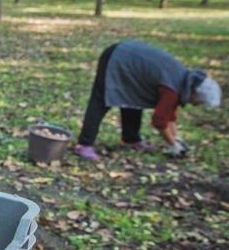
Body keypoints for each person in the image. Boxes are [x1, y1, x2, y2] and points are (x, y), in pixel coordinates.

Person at [73, 40, 221, 161]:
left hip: (129, 60)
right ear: (196, 94)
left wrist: (177, 139)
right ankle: (84, 145)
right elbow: (160, 121)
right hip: (117, 58)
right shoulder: (173, 89)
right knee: (101, 101)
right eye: (199, 102)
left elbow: (170, 116)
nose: (196, 105)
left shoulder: (183, 81)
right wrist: (172, 145)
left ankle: (131, 139)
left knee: (132, 99)